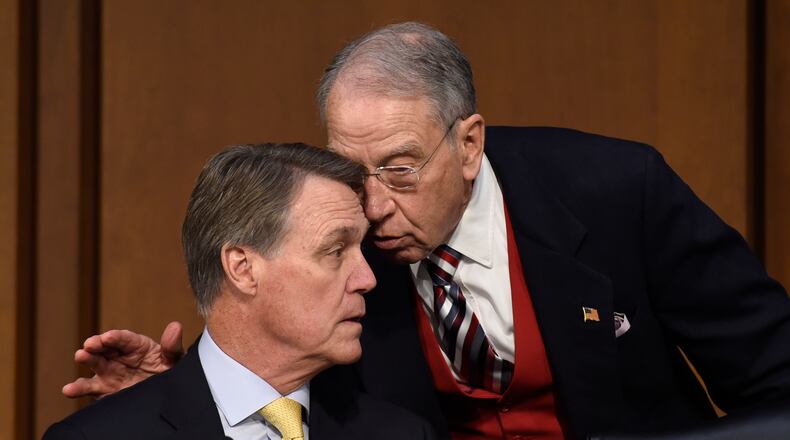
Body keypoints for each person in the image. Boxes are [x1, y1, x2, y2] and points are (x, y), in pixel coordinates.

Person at [63, 23, 790, 439]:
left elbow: (776, 381)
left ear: (469, 144)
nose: (372, 205)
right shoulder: (347, 253)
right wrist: (179, 395)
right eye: (352, 171)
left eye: (401, 169)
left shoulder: (617, 192)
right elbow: (278, 362)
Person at [46, 143, 436, 439]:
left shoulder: (401, 432)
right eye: (335, 251)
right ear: (242, 268)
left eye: (361, 249)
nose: (367, 278)